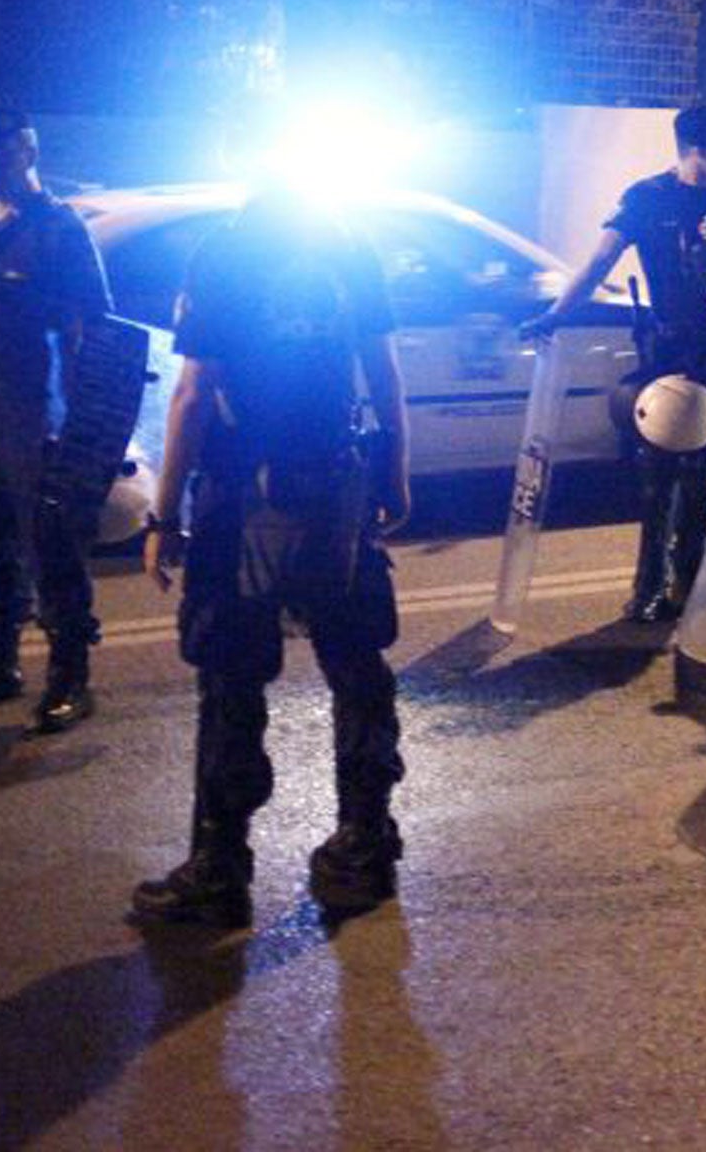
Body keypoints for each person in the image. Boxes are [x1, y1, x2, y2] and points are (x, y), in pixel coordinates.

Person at [129, 178, 412, 927]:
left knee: (230, 680)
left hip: (240, 495)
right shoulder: (351, 245)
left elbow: (193, 394)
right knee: (356, 667)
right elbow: (383, 373)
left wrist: (164, 515)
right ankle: (365, 847)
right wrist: (395, 475)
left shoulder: (223, 253)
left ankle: (220, 867)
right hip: (337, 489)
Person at [525, 105, 706, 623]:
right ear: (699, 150)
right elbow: (597, 263)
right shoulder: (646, 197)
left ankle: (692, 583)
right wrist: (554, 317)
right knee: (659, 472)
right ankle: (647, 589)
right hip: (667, 351)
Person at [0, 106, 113, 733]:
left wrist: (79, 421)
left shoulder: (59, 229)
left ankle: (71, 675)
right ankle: (1, 661)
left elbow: (93, 325)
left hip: (37, 411)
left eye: (4, 148)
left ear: (27, 151)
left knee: (50, 546)